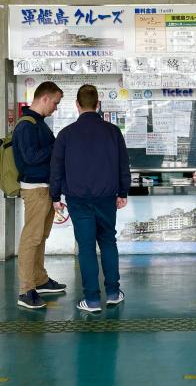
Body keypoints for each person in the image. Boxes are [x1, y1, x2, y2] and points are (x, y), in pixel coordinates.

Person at [50, 84, 131, 313]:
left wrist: (55, 196)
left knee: (86, 247)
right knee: (108, 242)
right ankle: (113, 293)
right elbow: (123, 164)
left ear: (77, 105)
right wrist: (123, 192)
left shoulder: (66, 134)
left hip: (78, 199)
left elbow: (56, 169)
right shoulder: (113, 132)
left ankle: (92, 300)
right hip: (106, 198)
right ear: (98, 104)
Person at [12, 81, 66, 309]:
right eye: (55, 103)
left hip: (45, 187)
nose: (56, 108)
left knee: (41, 236)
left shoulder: (39, 124)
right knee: (31, 238)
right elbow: (31, 157)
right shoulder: (27, 125)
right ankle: (26, 290)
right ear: (45, 98)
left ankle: (40, 279)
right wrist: (57, 146)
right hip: (35, 189)